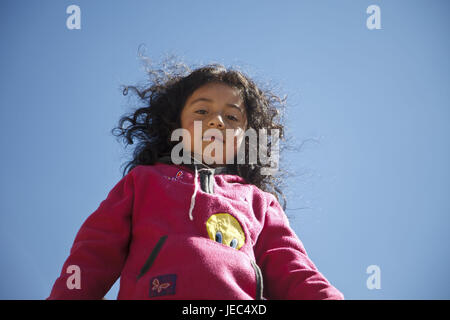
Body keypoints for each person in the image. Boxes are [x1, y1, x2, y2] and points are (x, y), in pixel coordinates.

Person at [47, 62, 344, 300]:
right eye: (202, 111)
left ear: (245, 139)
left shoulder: (259, 202)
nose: (216, 121)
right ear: (175, 125)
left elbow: (293, 269)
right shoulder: (143, 183)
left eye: (232, 117)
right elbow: (93, 254)